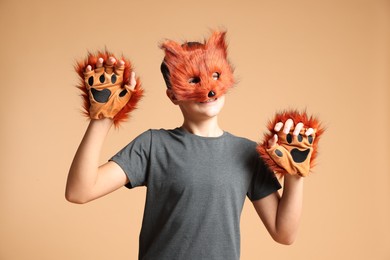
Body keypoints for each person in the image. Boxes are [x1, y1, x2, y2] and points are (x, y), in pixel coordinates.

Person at [66, 31, 308, 260]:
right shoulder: (153, 145)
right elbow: (79, 192)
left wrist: (295, 174)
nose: (209, 90)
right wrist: (103, 117)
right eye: (193, 80)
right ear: (173, 95)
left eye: (215, 76)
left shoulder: (247, 154)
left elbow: (283, 234)